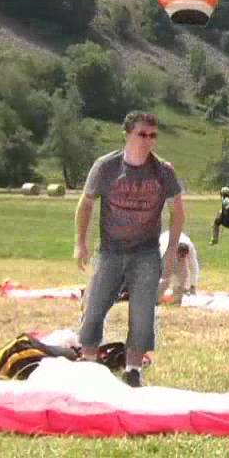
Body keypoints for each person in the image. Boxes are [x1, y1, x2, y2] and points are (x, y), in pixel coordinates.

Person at [74, 111, 184, 388]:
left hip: (145, 252)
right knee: (95, 305)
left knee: (143, 311)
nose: (147, 141)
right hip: (110, 250)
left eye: (152, 136)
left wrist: (170, 252)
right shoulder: (106, 167)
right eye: (141, 134)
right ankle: (88, 363)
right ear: (127, 134)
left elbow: (178, 212)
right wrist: (80, 242)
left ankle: (133, 368)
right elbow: (86, 203)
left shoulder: (163, 171)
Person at [158, 229, 199, 303]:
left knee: (182, 275)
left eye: (183, 257)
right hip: (166, 245)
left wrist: (193, 285)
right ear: (176, 252)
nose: (181, 259)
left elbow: (194, 266)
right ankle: (156, 296)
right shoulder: (163, 248)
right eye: (180, 256)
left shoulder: (190, 248)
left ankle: (177, 293)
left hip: (176, 241)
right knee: (164, 278)